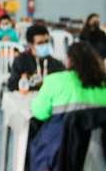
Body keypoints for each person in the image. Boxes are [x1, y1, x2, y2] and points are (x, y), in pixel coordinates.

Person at [29, 42, 106, 170]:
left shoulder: (55, 80)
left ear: (69, 60)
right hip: (100, 154)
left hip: (59, 152)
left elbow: (39, 113)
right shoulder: (104, 84)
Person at [7, 25, 65, 92]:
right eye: (40, 43)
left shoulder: (56, 63)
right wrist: (29, 82)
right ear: (30, 45)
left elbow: (62, 84)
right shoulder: (21, 61)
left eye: (47, 41)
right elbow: (12, 85)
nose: (45, 45)